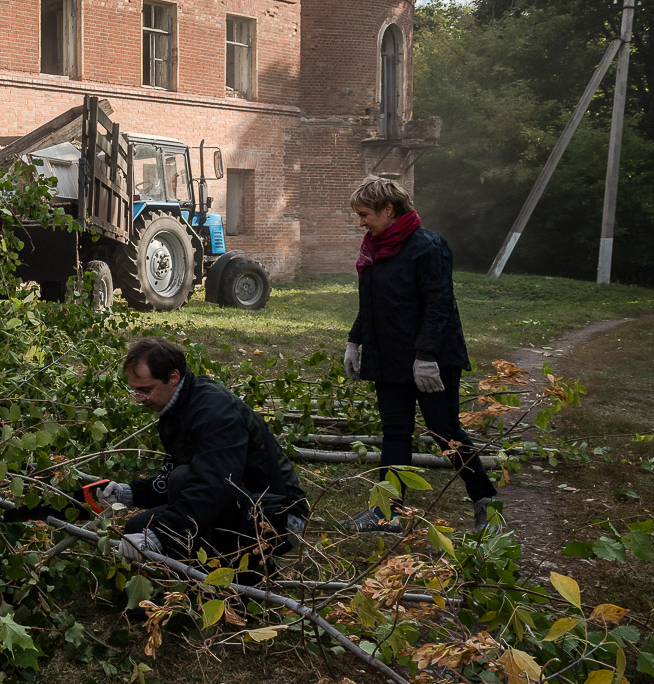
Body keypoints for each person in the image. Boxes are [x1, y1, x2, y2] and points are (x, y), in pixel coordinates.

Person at [340, 176, 500, 534]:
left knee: (446, 433)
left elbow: (438, 304)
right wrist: (355, 340)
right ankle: (386, 514)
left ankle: (486, 504)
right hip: (389, 357)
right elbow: (372, 302)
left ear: (388, 210)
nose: (361, 222)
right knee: (395, 432)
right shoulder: (375, 248)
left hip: (432, 359)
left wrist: (426, 356)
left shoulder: (428, 247)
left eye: (365, 214)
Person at [99, 338, 310, 568]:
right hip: (235, 500)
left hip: (278, 515)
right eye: (135, 391)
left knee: (171, 514)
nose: (139, 399)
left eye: (146, 390)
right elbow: (176, 480)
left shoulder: (215, 412)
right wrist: (128, 493)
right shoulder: (176, 408)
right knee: (137, 528)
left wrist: (163, 534)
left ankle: (244, 579)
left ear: (173, 377)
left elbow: (213, 487)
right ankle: (210, 571)